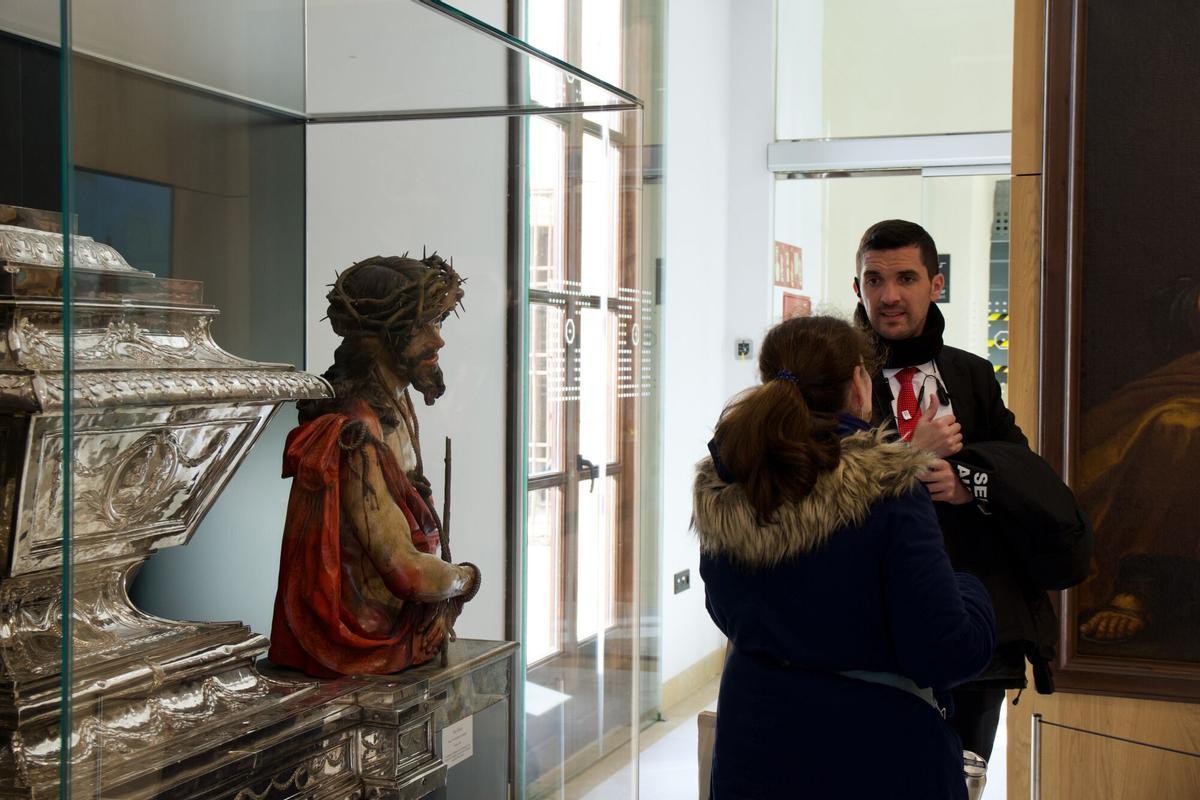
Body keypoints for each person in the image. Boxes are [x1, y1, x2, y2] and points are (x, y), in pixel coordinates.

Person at [695, 316, 996, 799]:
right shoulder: (889, 491)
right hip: (874, 752)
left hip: (753, 742)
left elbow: (727, 610)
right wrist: (974, 590)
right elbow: (944, 651)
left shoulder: (731, 480)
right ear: (860, 382)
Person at [852, 219, 1092, 762]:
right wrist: (914, 453)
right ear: (857, 288)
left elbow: (1023, 471)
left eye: (905, 279)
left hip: (973, 621)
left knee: (965, 774)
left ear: (936, 285)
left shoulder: (973, 375)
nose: (888, 296)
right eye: (873, 280)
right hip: (873, 625)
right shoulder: (837, 376)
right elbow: (815, 488)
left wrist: (969, 483)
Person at [268, 254, 481, 678]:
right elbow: (406, 573)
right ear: (381, 337)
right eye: (423, 326)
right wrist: (468, 579)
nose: (437, 341)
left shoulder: (397, 407)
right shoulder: (356, 435)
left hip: (399, 629)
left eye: (437, 323)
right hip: (362, 642)